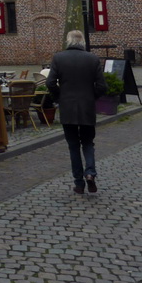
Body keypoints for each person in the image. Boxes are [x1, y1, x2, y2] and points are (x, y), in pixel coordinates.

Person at [46, 29, 107, 194]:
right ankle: (90, 173)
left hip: (68, 108)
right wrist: (90, 97)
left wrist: (59, 97)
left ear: (68, 41)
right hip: (87, 108)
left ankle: (79, 183)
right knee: (88, 143)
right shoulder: (92, 58)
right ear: (82, 43)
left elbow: (50, 82)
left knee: (73, 146)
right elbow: (102, 86)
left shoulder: (59, 58)